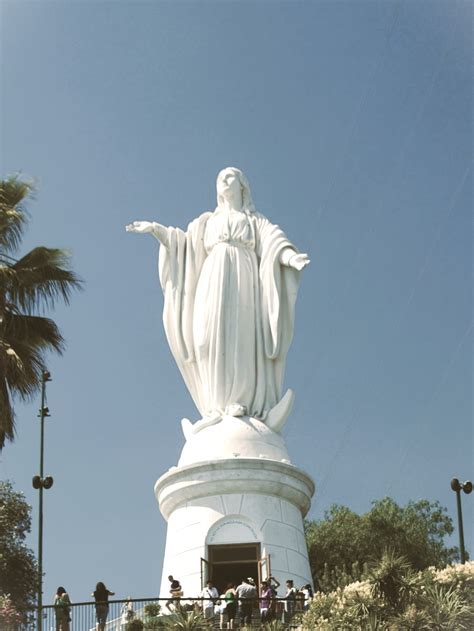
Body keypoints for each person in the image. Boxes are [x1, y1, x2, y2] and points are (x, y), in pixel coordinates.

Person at [126, 167, 309, 429]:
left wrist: (291, 258)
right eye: (220, 177)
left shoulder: (254, 220)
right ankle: (214, 405)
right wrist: (156, 230)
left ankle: (240, 402)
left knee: (241, 337)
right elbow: (183, 246)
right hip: (212, 277)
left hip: (244, 277)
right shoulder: (206, 222)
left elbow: (274, 242)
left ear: (242, 185)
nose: (223, 179)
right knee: (206, 337)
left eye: (230, 175)